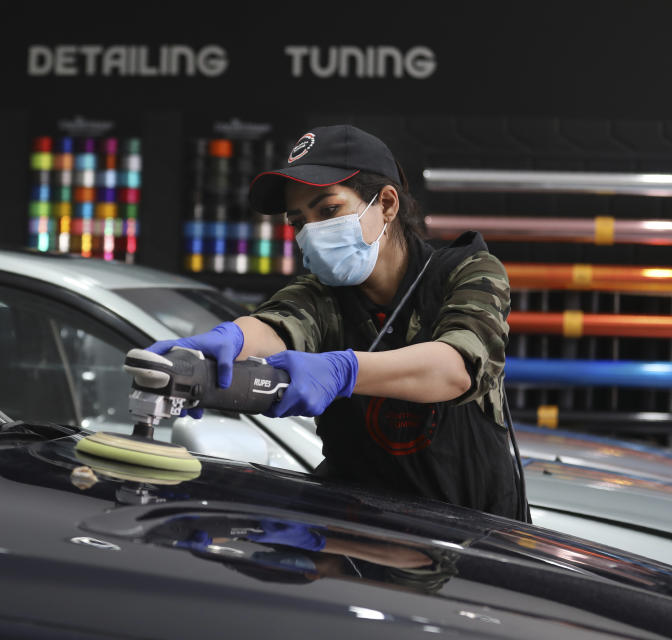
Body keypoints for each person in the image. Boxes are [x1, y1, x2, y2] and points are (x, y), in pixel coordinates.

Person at [148, 124, 527, 521]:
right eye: (298, 221)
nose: (312, 232)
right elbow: (278, 325)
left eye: (328, 210)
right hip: (356, 540)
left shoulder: (465, 271)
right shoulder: (321, 293)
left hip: (474, 538)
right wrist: (224, 342)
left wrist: (342, 369)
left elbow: (457, 368)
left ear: (387, 204)